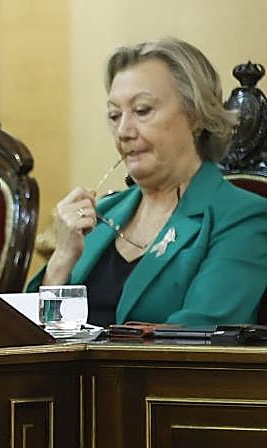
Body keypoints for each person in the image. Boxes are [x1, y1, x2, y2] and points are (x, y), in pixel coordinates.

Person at [29, 38, 267, 327]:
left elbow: (201, 337)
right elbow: (33, 338)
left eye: (142, 110)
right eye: (114, 115)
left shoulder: (242, 217)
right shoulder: (102, 214)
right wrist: (61, 261)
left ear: (195, 115)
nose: (123, 132)